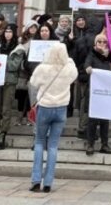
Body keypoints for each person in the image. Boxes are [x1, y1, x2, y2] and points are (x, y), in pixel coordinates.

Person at [28, 42, 78, 193]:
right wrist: (67, 59)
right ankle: (48, 182)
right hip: (61, 108)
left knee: (39, 143)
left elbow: (33, 82)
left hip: (45, 107)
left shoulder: (43, 68)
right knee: (53, 145)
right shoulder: (69, 68)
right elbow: (74, 72)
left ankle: (36, 180)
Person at [0, 27, 26, 151]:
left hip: (9, 81)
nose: (8, 34)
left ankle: (3, 135)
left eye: (10, 32)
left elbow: (14, 66)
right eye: (6, 32)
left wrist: (1, 59)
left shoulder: (19, 49)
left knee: (6, 109)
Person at [82, 31, 111, 155]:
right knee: (92, 120)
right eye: (99, 41)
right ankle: (90, 144)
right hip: (94, 93)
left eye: (104, 42)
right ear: (95, 43)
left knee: (104, 121)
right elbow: (87, 64)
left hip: (106, 93)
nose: (102, 43)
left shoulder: (110, 56)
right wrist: (88, 68)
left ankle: (104, 144)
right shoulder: (92, 54)